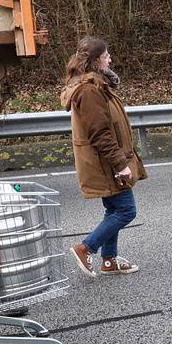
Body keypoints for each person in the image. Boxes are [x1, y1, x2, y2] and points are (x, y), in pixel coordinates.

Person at [62, 35, 145, 277]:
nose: (110, 59)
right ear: (97, 61)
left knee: (114, 209)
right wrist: (120, 164)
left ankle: (109, 260)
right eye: (107, 56)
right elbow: (100, 132)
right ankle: (86, 248)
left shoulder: (96, 84)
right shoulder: (89, 90)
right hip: (105, 163)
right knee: (126, 210)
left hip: (105, 161)